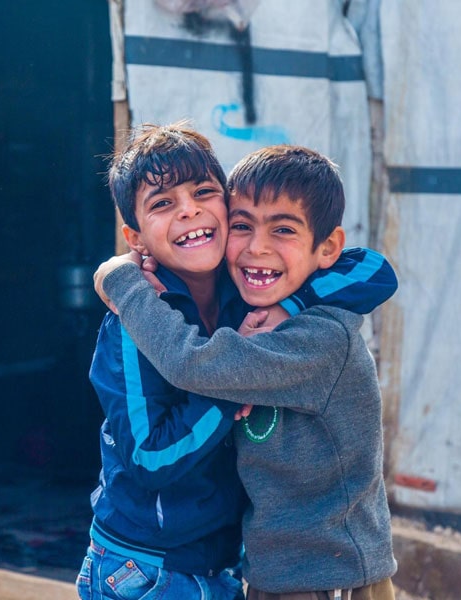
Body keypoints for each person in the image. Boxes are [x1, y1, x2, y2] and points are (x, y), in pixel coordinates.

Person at [80, 125, 397, 600]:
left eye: (204, 193)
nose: (188, 209)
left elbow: (375, 269)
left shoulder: (255, 303)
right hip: (147, 565)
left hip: (281, 570)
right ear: (135, 237)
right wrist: (231, 395)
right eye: (163, 203)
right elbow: (149, 457)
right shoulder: (136, 321)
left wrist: (293, 303)